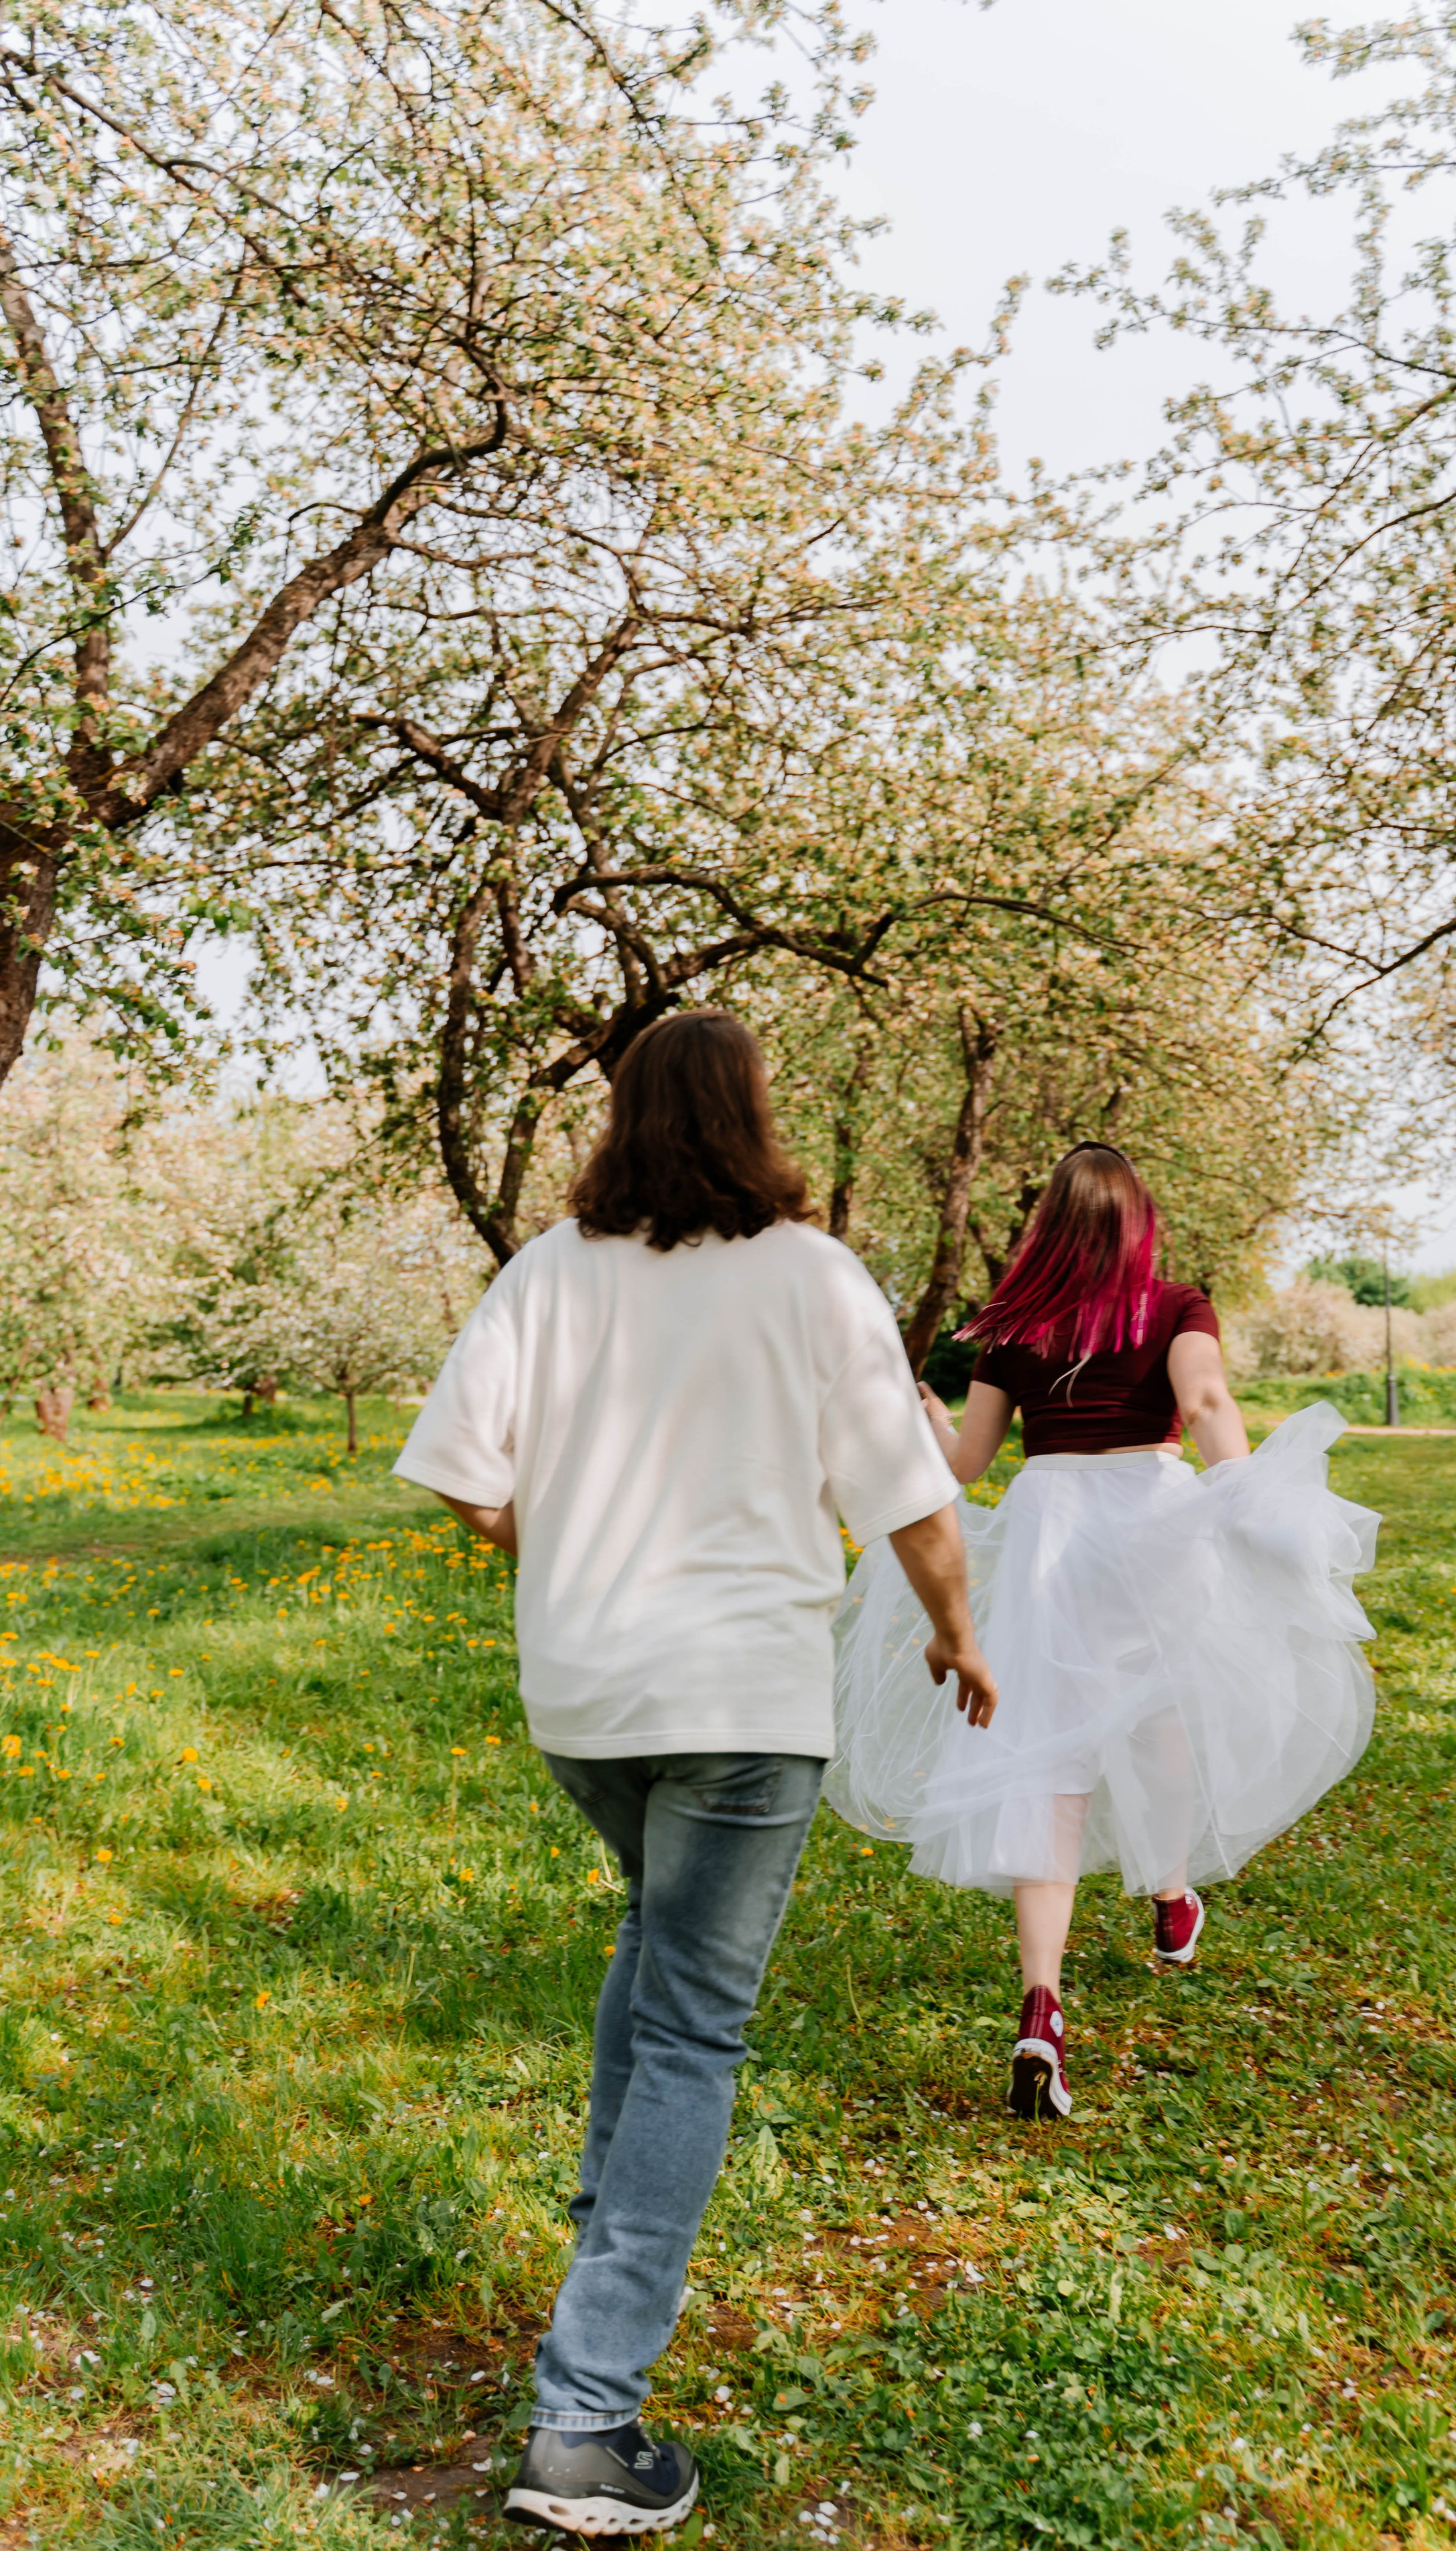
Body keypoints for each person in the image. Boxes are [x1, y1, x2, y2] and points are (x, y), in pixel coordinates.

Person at [392, 1011, 998, 2538]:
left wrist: (567, 1566)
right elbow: (910, 1497)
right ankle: (585, 2425)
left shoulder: (547, 1270)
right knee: (692, 2033)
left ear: (622, 1118)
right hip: (739, 1703)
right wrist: (956, 1631)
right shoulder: (809, 1275)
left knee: (655, 1945)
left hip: (586, 1700)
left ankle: (605, 2223)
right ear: (754, 1114)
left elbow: (471, 1480)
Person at [825, 1142, 1378, 2122]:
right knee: (1159, 1718)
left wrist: (928, 1414)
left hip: (1054, 1533)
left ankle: (1043, 2009)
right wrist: (1246, 1495)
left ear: (1049, 1227)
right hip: (1155, 1523)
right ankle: (1170, 1895)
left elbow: (962, 1467)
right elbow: (1205, 1401)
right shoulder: (1176, 1307)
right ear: (1140, 1227)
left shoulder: (1015, 1326)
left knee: (1049, 1758)